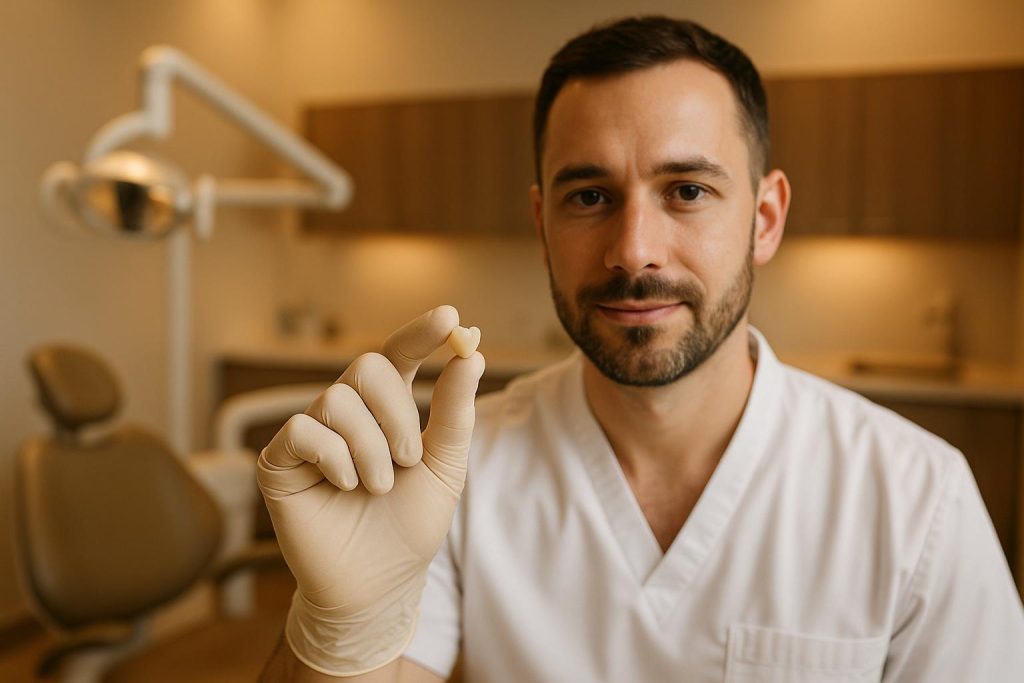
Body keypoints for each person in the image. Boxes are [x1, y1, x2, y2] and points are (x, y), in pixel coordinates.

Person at [258, 16, 1024, 682]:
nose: (633, 251)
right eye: (589, 196)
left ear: (764, 217)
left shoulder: (917, 498)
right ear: (541, 223)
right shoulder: (456, 477)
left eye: (686, 190)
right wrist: (340, 628)